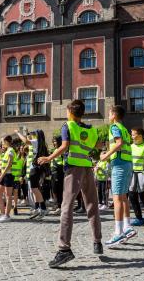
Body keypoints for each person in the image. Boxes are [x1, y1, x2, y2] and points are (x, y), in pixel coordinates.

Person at [38, 99, 102, 268]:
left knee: (66, 208)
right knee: (92, 205)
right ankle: (97, 242)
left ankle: (64, 249)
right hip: (87, 168)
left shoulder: (68, 126)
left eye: (67, 111)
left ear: (71, 113)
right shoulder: (91, 129)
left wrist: (49, 158)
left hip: (73, 169)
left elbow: (65, 145)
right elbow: (99, 144)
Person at [100, 105, 136, 246]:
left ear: (114, 115)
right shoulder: (125, 129)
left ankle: (118, 233)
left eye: (109, 114)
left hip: (119, 164)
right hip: (127, 163)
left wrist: (106, 156)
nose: (108, 116)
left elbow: (118, 143)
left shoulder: (114, 127)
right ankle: (127, 227)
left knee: (117, 198)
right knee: (123, 197)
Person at [16, 129, 49, 219]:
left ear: (37, 136)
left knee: (35, 189)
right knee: (35, 189)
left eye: (33, 134)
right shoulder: (41, 143)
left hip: (34, 169)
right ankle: (40, 208)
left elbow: (26, 141)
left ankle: (43, 208)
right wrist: (27, 133)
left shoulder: (36, 142)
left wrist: (18, 133)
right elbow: (28, 139)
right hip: (36, 169)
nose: (32, 136)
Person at [0, 135, 16, 223]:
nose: (2, 143)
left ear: (7, 141)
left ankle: (7, 215)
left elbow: (9, 165)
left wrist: (1, 177)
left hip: (8, 176)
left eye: (3, 142)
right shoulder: (5, 152)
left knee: (8, 196)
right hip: (3, 175)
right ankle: (2, 213)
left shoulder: (11, 150)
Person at [50, 136, 65, 216]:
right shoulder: (55, 150)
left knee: (58, 190)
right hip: (53, 172)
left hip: (58, 173)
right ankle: (57, 206)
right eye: (53, 141)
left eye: (55, 141)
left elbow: (63, 162)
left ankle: (60, 207)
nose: (54, 143)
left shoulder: (61, 150)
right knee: (54, 190)